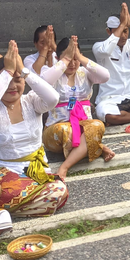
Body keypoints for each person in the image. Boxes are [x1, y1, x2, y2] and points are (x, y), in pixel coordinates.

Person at [0, 40, 68, 218]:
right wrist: (7, 72)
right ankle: (24, 203)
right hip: (0, 170)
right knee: (3, 193)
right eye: (7, 81)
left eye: (18, 80)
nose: (13, 86)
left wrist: (24, 71)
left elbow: (53, 98)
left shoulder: (32, 101)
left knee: (60, 191)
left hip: (34, 168)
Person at [41, 36, 115, 180]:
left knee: (97, 125)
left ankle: (65, 166)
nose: (72, 63)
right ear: (58, 58)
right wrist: (65, 60)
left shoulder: (85, 73)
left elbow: (105, 76)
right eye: (68, 58)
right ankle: (96, 147)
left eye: (75, 59)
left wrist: (80, 57)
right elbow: (44, 81)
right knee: (66, 130)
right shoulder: (51, 72)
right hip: (56, 129)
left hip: (84, 126)